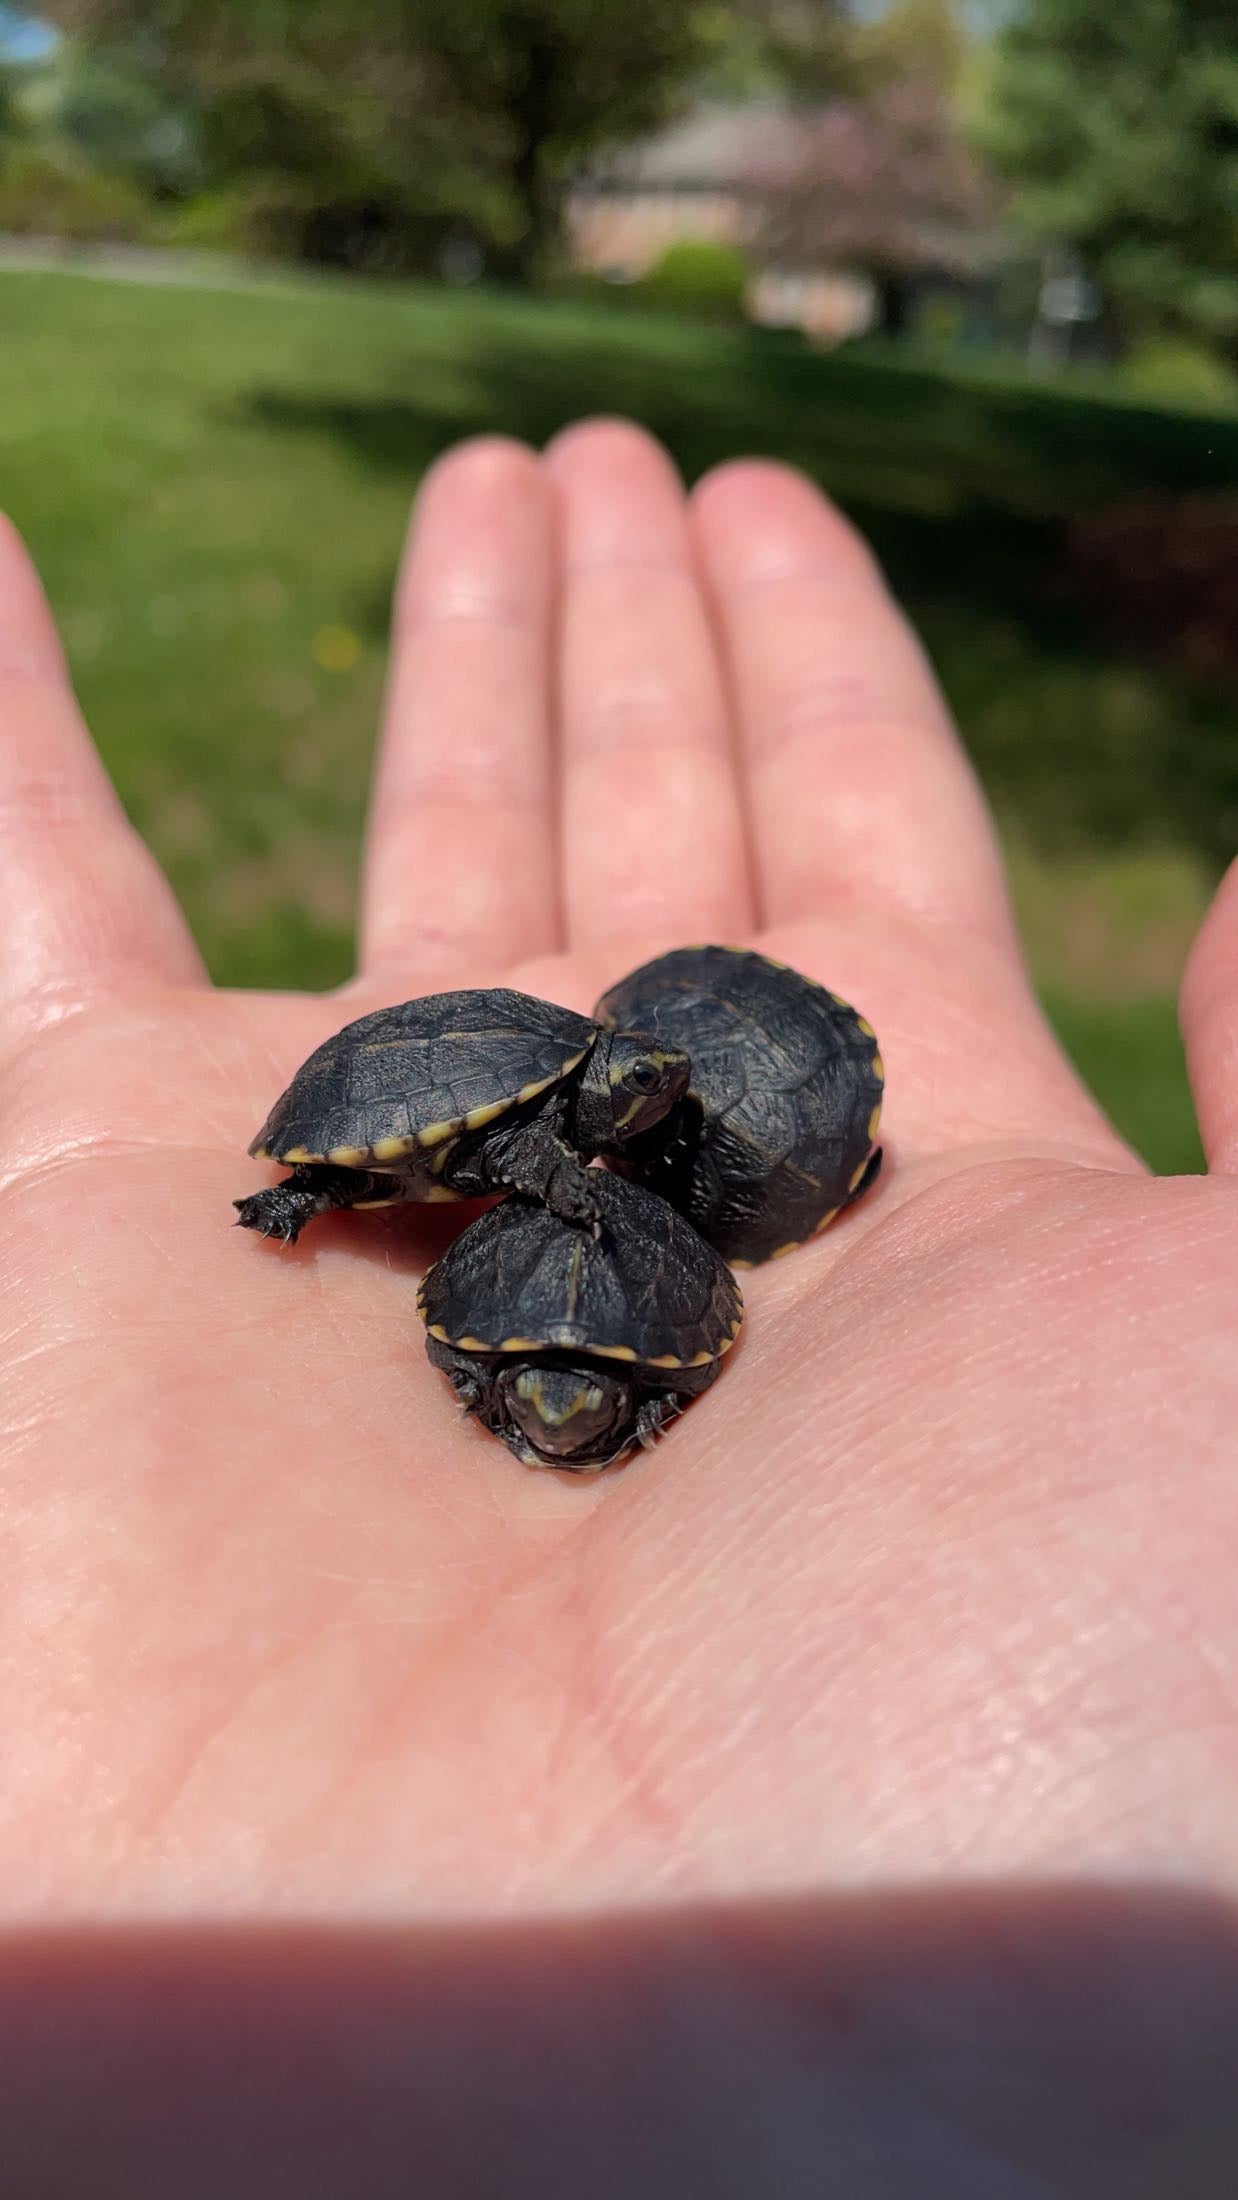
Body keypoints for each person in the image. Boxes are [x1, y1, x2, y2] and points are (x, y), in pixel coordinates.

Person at [2, 420, 1237, 2191]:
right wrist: (327, 1185)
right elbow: (521, 1150)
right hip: (413, 1115)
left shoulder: (601, 1125)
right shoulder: (549, 1135)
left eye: (652, 1098)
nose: (653, 1106)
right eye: (637, 1096)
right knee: (388, 1177)